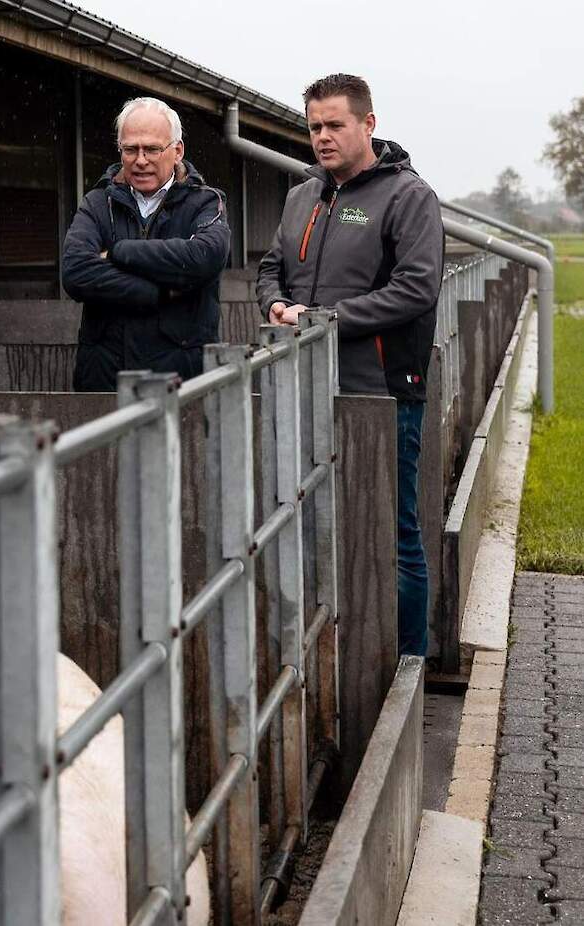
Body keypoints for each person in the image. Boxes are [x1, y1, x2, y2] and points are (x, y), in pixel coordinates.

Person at [257, 74, 444, 658]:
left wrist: (325, 317)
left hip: (380, 388)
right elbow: (269, 267)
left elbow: (415, 289)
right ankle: (328, 652)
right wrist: (276, 304)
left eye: (335, 124)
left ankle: (409, 661)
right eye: (314, 126)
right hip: (305, 382)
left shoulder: (407, 196)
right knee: (307, 520)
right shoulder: (301, 196)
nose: (322, 137)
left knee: (392, 530)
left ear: (369, 124)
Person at [61, 97, 230, 391]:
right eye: (130, 149)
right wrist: (159, 291)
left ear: (177, 151)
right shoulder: (98, 202)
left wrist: (117, 251)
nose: (140, 160)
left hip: (180, 383)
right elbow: (75, 272)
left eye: (152, 149)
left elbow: (202, 258)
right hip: (106, 382)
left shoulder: (206, 202)